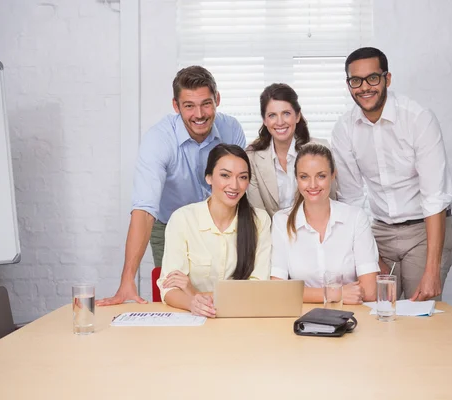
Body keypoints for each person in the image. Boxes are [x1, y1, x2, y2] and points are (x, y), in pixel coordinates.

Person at [97, 66, 246, 306]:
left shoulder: (231, 129)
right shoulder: (159, 140)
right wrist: (127, 280)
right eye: (189, 106)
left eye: (206, 104)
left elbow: (240, 185)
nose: (199, 114)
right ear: (176, 106)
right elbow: (144, 210)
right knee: (176, 296)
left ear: (217, 100)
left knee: (226, 293)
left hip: (223, 221)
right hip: (169, 224)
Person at [331, 47, 452, 301]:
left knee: (418, 318)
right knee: (375, 312)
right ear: (348, 85)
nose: (364, 87)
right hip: (380, 232)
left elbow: (434, 197)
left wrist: (432, 269)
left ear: (387, 79)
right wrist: (373, 256)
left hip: (423, 228)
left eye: (373, 78)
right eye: (356, 80)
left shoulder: (418, 119)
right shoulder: (344, 129)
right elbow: (352, 201)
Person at [157, 144, 271, 317]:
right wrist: (192, 303)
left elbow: (258, 288)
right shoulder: (183, 219)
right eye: (225, 175)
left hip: (242, 320)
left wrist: (192, 291)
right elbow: (170, 289)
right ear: (209, 177)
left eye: (242, 177)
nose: (234, 185)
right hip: (193, 320)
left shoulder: (259, 221)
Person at [270, 143, 378, 304]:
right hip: (302, 318)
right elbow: (277, 290)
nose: (313, 185)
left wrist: (302, 293)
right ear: (297, 179)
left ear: (333, 175)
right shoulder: (282, 221)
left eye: (321, 176)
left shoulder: (355, 218)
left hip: (350, 316)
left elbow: (369, 291)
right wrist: (335, 294)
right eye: (304, 177)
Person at [246, 83, 335, 217]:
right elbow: (259, 216)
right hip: (272, 234)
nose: (280, 122)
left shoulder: (321, 149)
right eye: (272, 115)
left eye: (286, 113)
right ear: (264, 120)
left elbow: (331, 202)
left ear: (297, 116)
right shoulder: (252, 157)